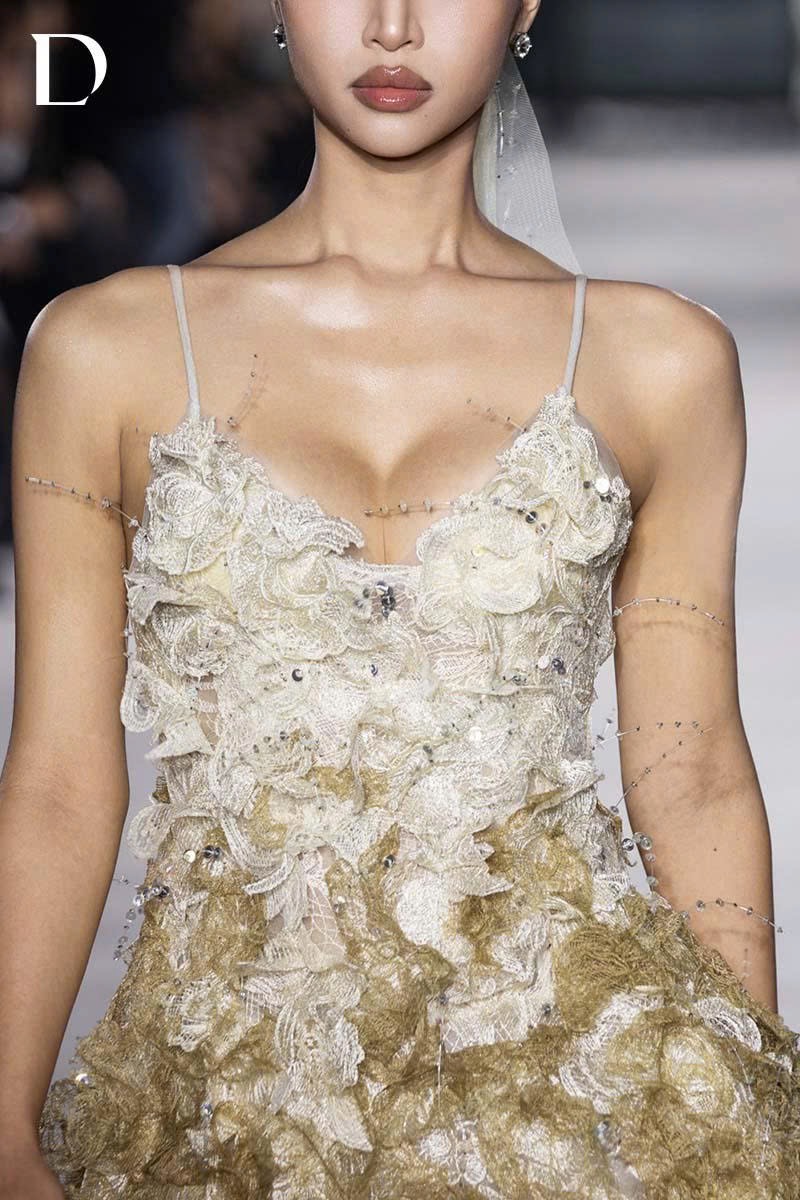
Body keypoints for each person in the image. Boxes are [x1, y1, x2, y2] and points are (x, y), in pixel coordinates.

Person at [2, 2, 798, 1197]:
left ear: (523, 8)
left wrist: (750, 1132)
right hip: (226, 1109)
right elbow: (59, 780)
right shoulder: (103, 350)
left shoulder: (657, 360)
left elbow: (688, 773)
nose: (389, 26)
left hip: (571, 1104)